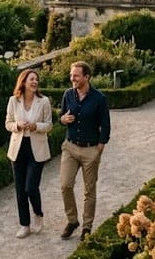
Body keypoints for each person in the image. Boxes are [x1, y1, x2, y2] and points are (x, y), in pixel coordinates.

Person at [58, 61, 110, 241]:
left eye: (76, 75)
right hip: (70, 147)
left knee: (89, 191)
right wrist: (63, 119)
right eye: (71, 75)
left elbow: (105, 125)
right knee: (65, 185)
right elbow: (61, 117)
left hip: (90, 150)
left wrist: (100, 148)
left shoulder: (99, 98)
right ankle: (72, 221)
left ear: (86, 77)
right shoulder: (67, 95)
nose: (72, 78)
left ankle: (87, 226)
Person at [5, 69, 52, 239]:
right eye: (31, 79)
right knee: (20, 190)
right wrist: (17, 125)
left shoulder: (44, 101)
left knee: (30, 187)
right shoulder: (13, 100)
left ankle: (38, 214)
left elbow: (48, 125)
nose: (35, 82)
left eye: (36, 80)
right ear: (23, 81)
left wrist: (36, 126)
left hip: (36, 148)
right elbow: (8, 123)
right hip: (18, 149)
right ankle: (24, 225)